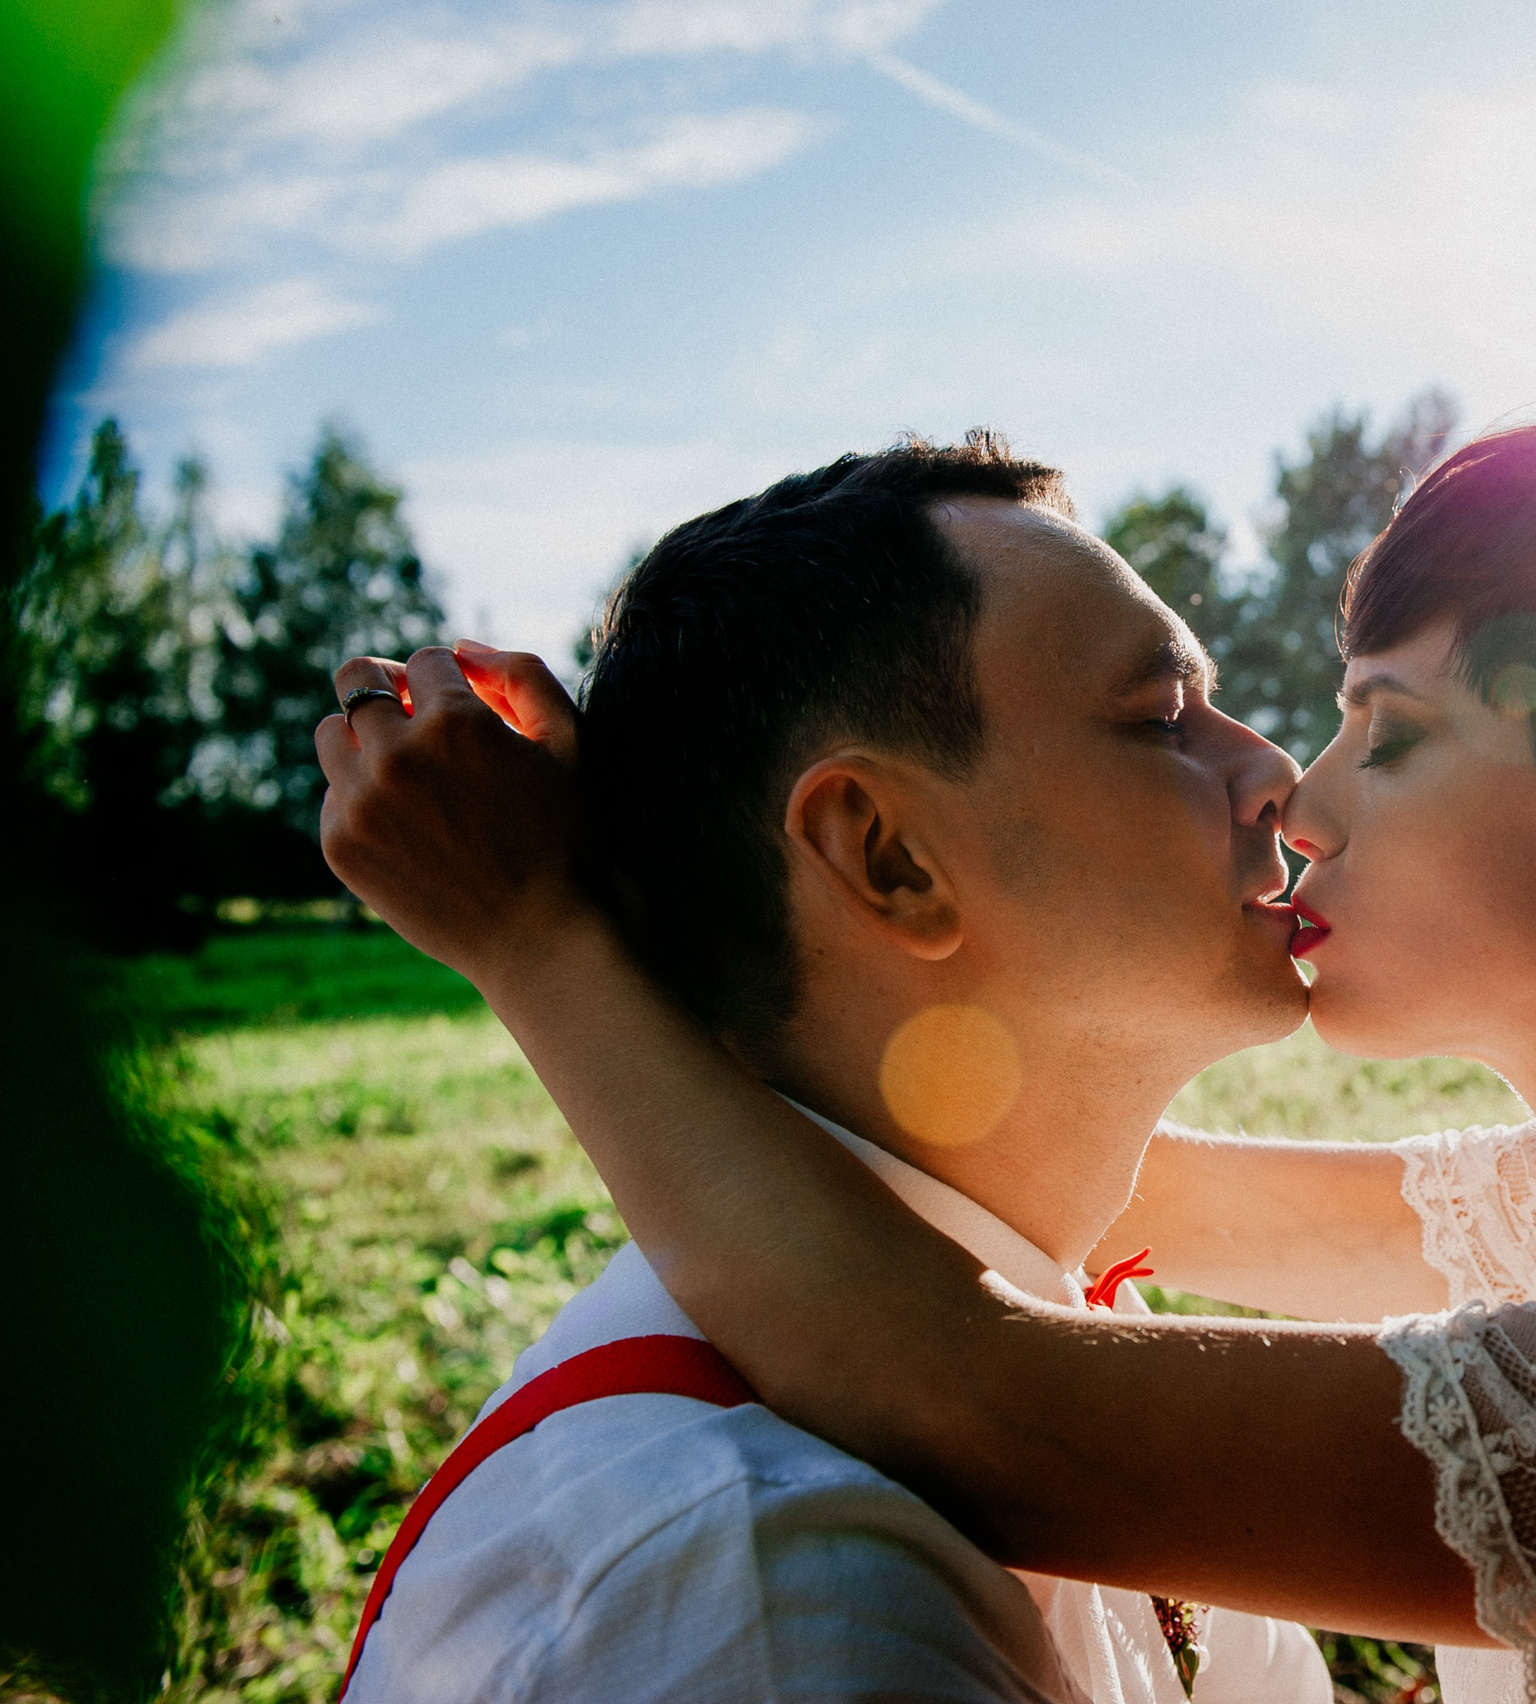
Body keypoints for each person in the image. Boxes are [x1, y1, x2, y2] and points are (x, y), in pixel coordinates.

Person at [323, 400, 1536, 1703]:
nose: (1294, 794)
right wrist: (671, 884)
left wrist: (544, 941)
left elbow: (984, 1390)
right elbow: (1011, 1152)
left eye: (1385, 729)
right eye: (1178, 717)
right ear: (884, 849)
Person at [326, 437, 1331, 1704]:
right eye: (1159, 718)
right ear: (889, 858)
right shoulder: (768, 1585)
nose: (1275, 770)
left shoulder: (1086, 1367)